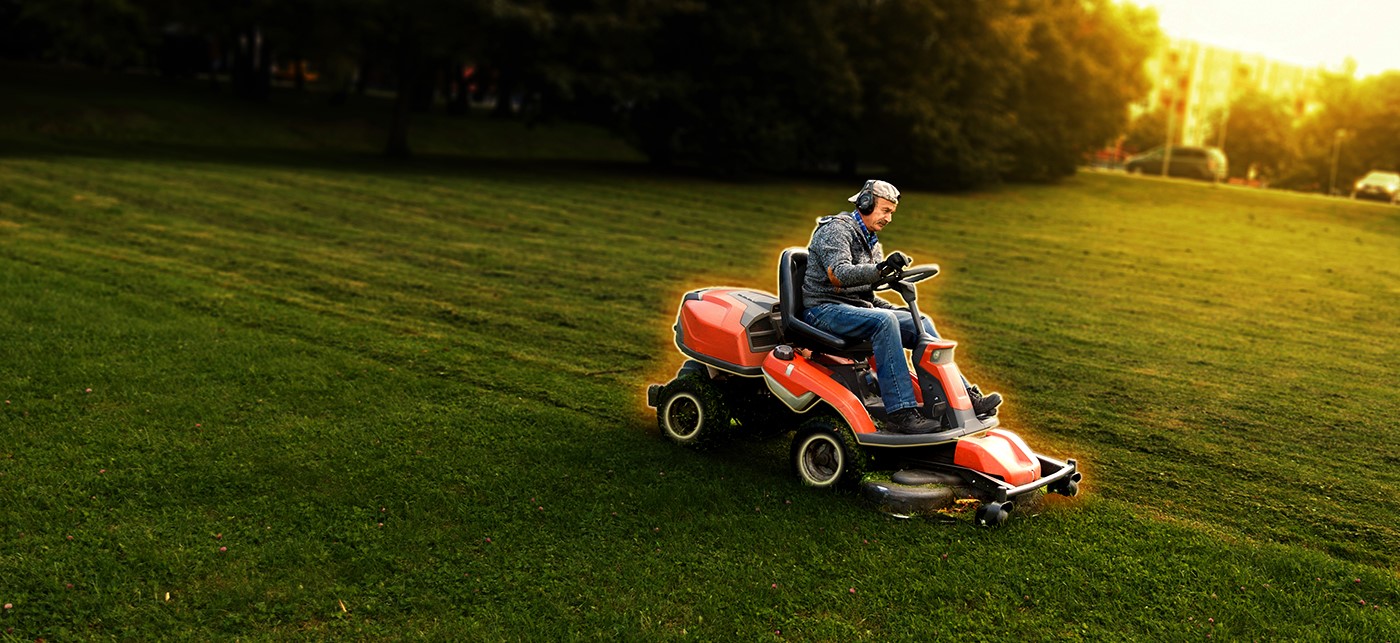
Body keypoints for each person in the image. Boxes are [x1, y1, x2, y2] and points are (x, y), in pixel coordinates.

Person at [802, 179, 1002, 434]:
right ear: (865, 203)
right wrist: (881, 269)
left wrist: (894, 297)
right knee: (886, 321)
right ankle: (901, 412)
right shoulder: (836, 230)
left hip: (852, 308)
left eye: (891, 213)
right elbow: (838, 274)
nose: (889, 218)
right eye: (885, 211)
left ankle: (962, 396)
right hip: (823, 309)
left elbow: (866, 293)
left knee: (921, 321)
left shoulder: (870, 240)